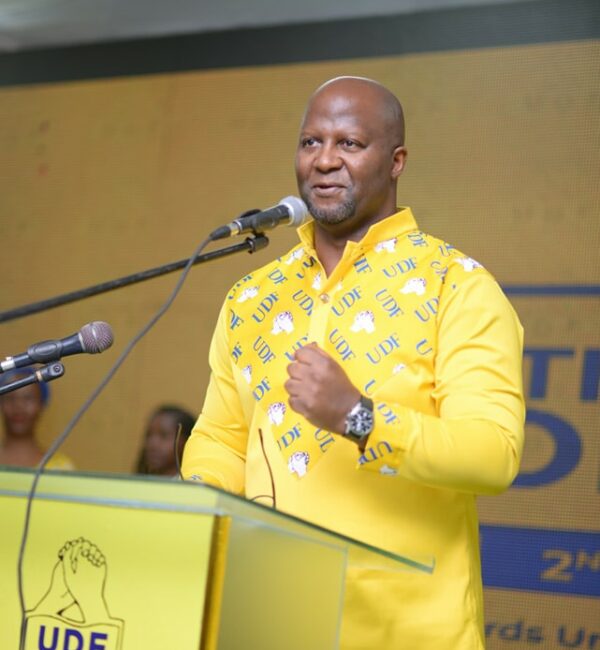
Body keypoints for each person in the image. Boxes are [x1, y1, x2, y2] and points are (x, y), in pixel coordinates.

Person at [182, 76, 525, 649]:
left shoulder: (456, 286)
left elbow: (494, 454)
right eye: (310, 142)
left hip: (401, 630)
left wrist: (359, 417)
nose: (324, 160)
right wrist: (198, 494)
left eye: (349, 143)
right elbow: (223, 437)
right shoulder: (252, 296)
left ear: (396, 161)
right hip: (266, 620)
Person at [0, 368, 75, 470]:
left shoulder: (60, 467)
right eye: (10, 398)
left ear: (42, 404)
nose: (18, 406)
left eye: (28, 398)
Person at [136, 405, 195, 478]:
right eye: (148, 435)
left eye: (164, 435)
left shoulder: (195, 483)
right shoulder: (139, 482)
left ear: (187, 441)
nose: (152, 444)